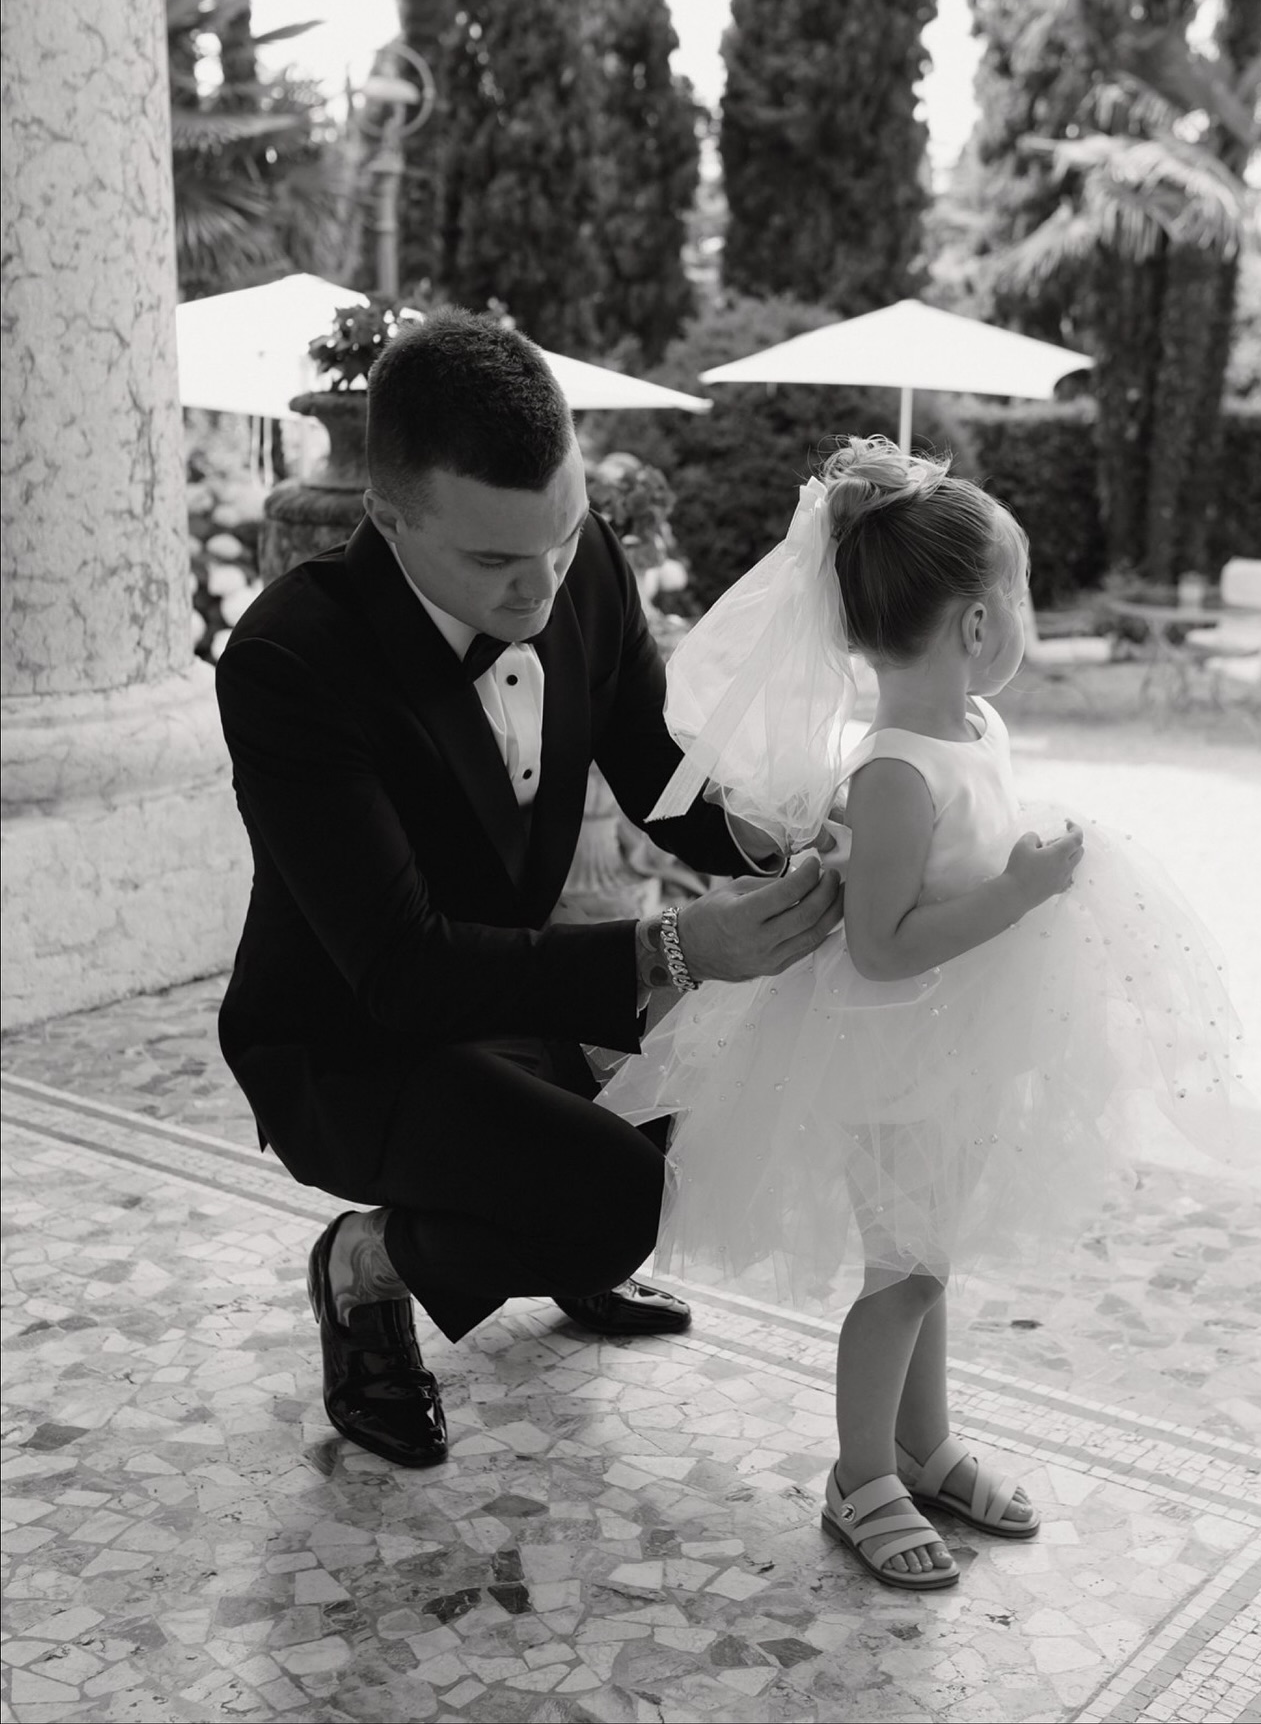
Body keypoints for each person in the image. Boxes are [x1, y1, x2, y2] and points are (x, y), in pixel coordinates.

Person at [600, 437, 1239, 1591]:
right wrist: (1020, 890)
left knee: (929, 1256)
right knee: (901, 1272)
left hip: (960, 1044)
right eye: (1022, 601)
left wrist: (1018, 876)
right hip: (890, 1050)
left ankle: (924, 1443)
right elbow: (883, 945)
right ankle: (859, 1475)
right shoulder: (890, 773)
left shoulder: (974, 733)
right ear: (978, 628)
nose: (1027, 622)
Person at [213, 308, 843, 1470]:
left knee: (724, 1090)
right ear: (387, 515)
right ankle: (363, 1267)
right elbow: (400, 967)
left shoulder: (580, 553)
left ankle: (558, 1242)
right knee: (616, 1200)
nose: (541, 584)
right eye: (495, 562)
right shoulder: (290, 664)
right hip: (353, 1041)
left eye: (555, 541)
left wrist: (794, 843)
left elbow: (657, 771)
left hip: (513, 994)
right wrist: (675, 952)